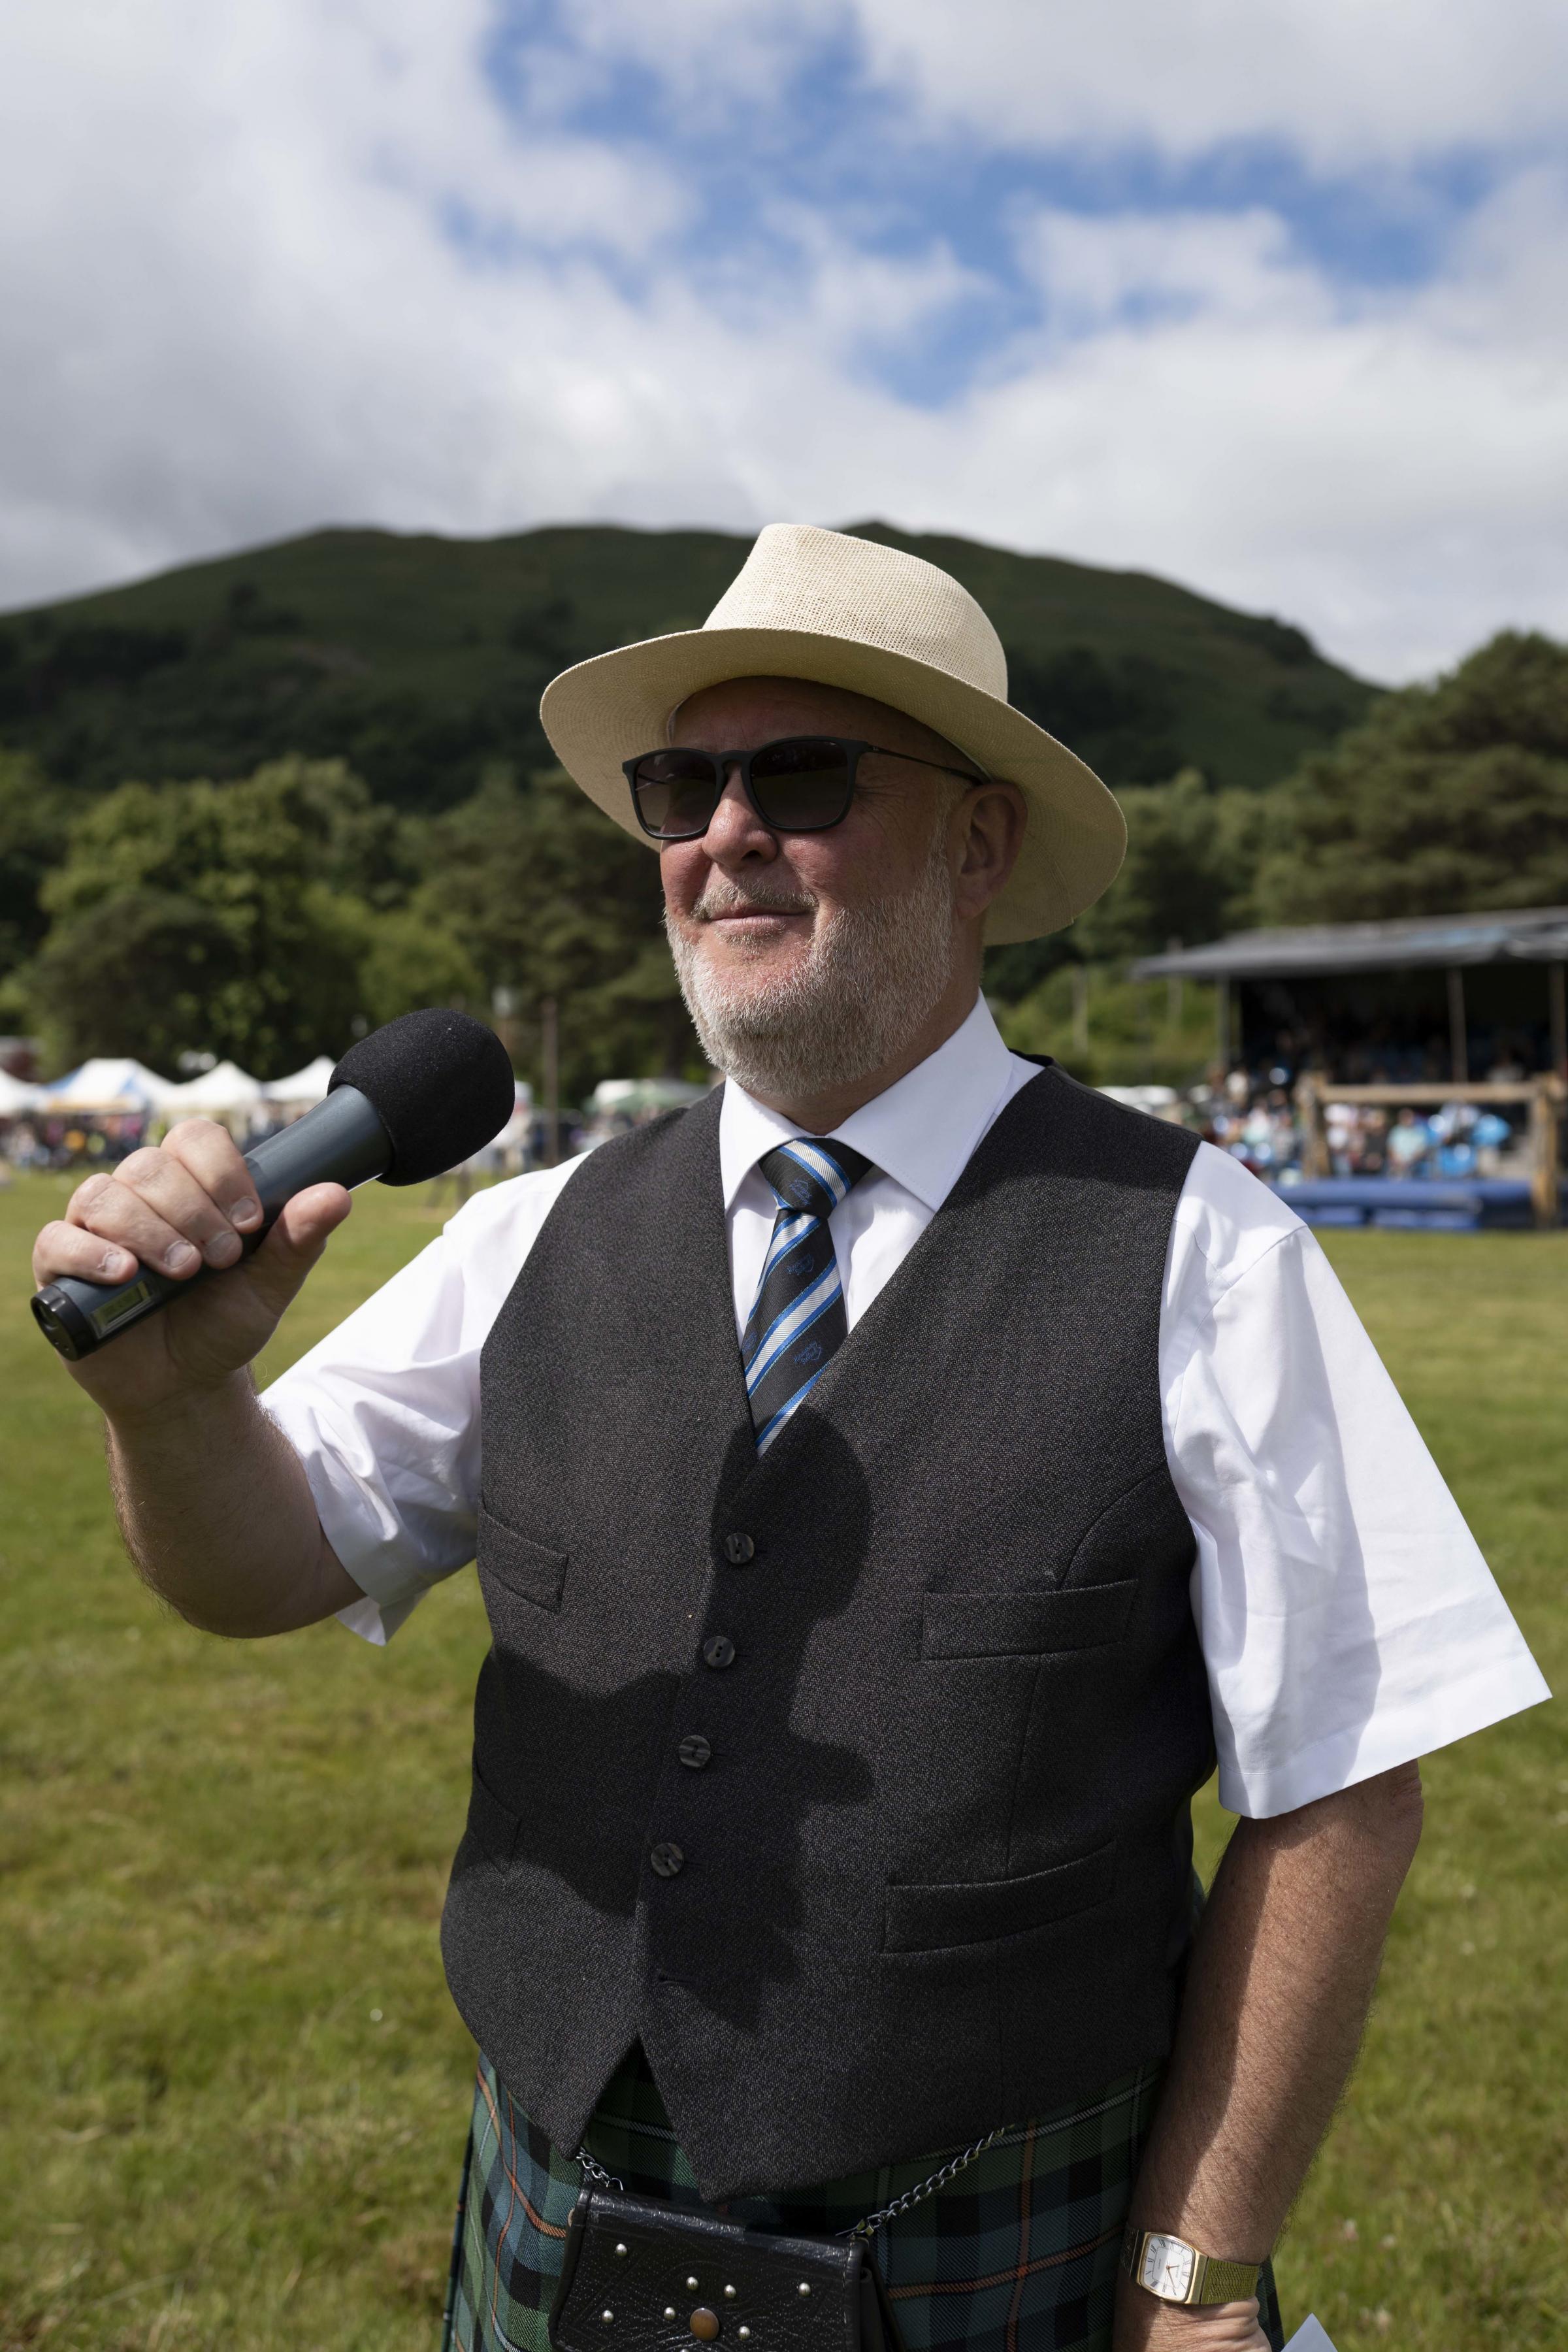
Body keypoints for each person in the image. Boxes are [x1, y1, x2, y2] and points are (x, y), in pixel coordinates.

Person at [33, 526, 1547, 2352]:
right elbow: (259, 1567)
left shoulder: (1203, 1249)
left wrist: (1199, 2272)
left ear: (980, 843)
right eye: (685, 784)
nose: (723, 833)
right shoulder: (541, 1231)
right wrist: (172, 1404)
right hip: (549, 2197)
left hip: (996, 2239)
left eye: (805, 776)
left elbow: (1343, 1786)